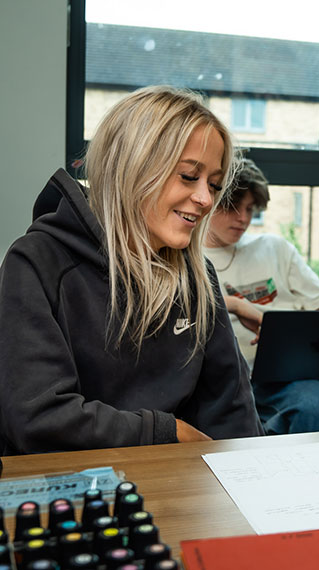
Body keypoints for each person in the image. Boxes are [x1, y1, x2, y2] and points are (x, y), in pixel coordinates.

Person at [0, 86, 264, 455]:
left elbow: (233, 411)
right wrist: (166, 431)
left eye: (214, 184)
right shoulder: (36, 262)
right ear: (134, 167)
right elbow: (39, 418)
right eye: (189, 177)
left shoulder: (197, 275)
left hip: (178, 484)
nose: (206, 199)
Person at [203, 158, 319, 434]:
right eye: (234, 207)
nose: (244, 218)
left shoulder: (274, 247)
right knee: (315, 403)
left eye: (251, 209)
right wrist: (237, 305)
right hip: (256, 376)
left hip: (315, 358)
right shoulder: (192, 260)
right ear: (210, 200)